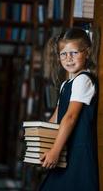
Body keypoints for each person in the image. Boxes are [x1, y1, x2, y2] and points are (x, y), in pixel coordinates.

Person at [39, 27, 99, 191]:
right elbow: (57, 116)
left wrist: (55, 150)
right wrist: (42, 142)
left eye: (74, 53)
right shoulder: (66, 84)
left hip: (77, 150)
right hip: (65, 148)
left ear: (86, 52)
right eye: (63, 54)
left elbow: (71, 117)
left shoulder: (83, 80)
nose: (68, 59)